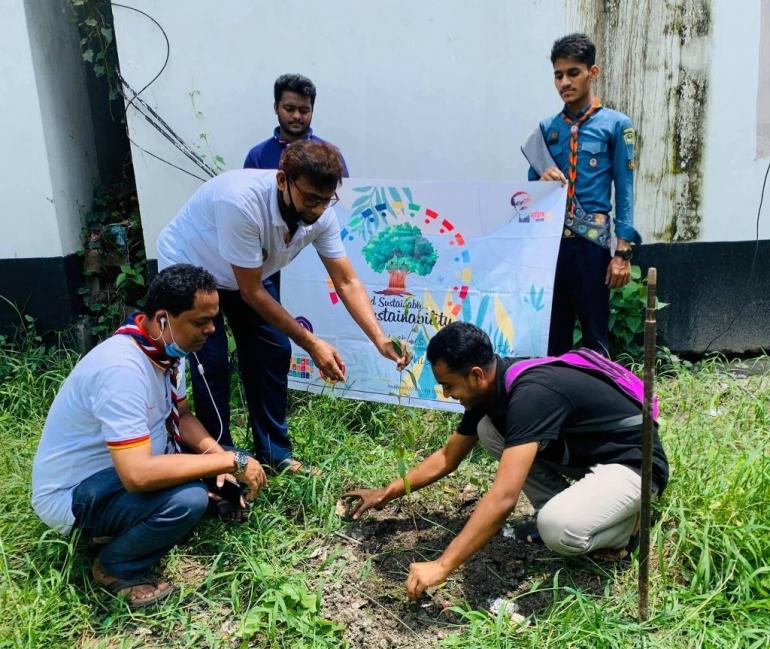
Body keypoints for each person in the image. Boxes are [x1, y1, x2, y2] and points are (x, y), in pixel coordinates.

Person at [343, 322, 668, 601]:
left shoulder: (530, 396)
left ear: (475, 375)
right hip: (591, 457)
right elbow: (446, 457)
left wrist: (441, 566)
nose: (446, 394)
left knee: (558, 529)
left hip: (635, 465)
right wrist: (385, 493)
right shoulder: (492, 389)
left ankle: (626, 531)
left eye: (449, 385)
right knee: (489, 430)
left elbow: (503, 499)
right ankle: (576, 508)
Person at [157, 140, 409, 473]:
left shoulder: (321, 215)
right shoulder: (241, 202)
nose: (318, 209)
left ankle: (275, 454)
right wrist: (312, 342)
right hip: (194, 264)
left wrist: (379, 339)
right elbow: (251, 292)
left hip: (245, 275)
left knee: (273, 350)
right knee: (212, 362)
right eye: (310, 198)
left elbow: (346, 281)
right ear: (282, 181)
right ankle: (222, 462)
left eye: (326, 199)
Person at [31, 265, 267, 609]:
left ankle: (132, 521)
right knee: (188, 500)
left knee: (219, 466)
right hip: (78, 493)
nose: (211, 330)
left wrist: (218, 459)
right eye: (200, 321)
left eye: (213, 319)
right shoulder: (121, 370)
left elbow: (182, 416)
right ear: (162, 319)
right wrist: (232, 461)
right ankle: (116, 566)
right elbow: (138, 474)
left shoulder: (167, 350)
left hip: (123, 473)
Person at [522, 33, 641, 356]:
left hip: (593, 246)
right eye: (558, 75)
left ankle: (598, 403)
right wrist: (541, 180)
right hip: (552, 247)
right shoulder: (547, 130)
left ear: (593, 72)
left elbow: (625, 188)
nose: (564, 82)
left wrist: (623, 252)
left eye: (573, 72)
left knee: (595, 335)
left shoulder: (616, 125)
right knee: (553, 334)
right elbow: (529, 196)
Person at [243, 73, 349, 175]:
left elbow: (344, 193)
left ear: (312, 110)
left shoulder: (331, 155)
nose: (297, 116)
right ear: (276, 108)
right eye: (289, 109)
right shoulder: (257, 156)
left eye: (304, 110)